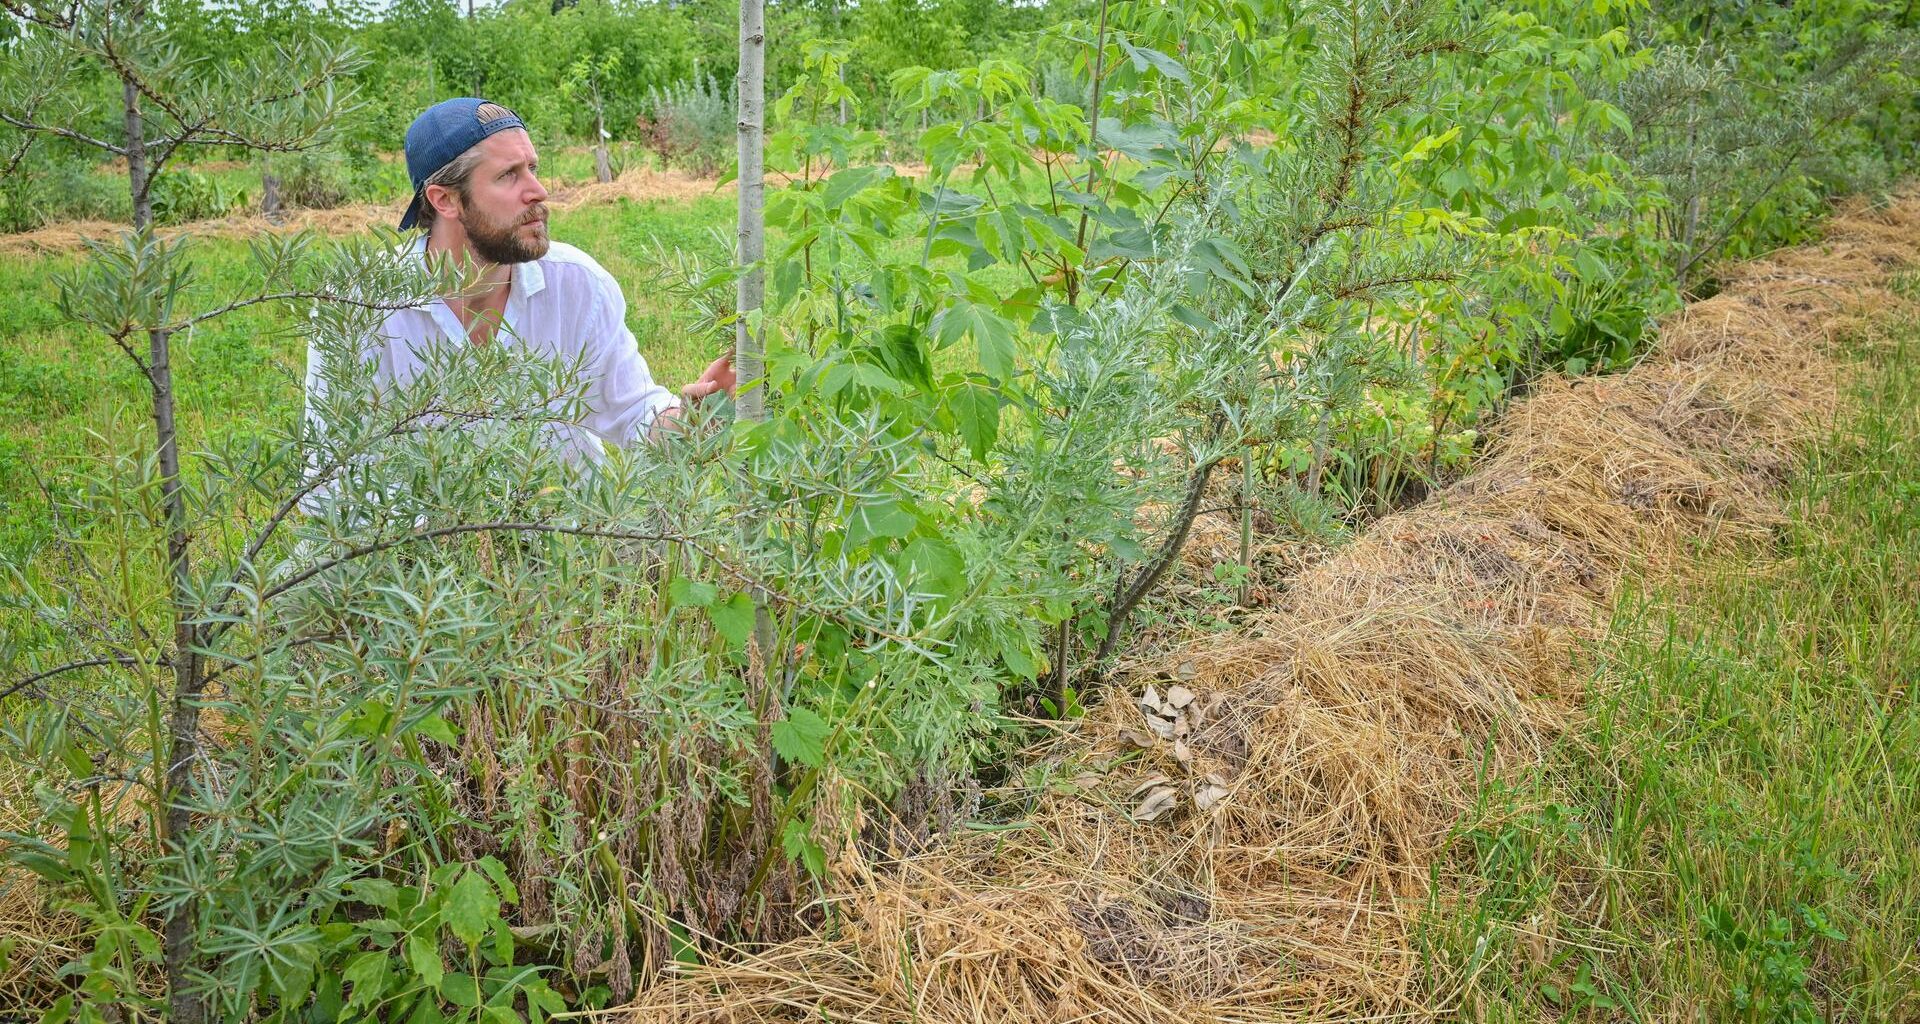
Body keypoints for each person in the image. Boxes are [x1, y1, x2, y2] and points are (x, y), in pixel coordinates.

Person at [304, 96, 734, 467]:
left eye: (532, 168)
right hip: (424, 535)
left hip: (563, 526)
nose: (538, 191)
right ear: (445, 199)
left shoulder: (577, 285)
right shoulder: (358, 310)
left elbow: (633, 411)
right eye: (508, 175)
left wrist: (693, 421)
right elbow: (332, 472)